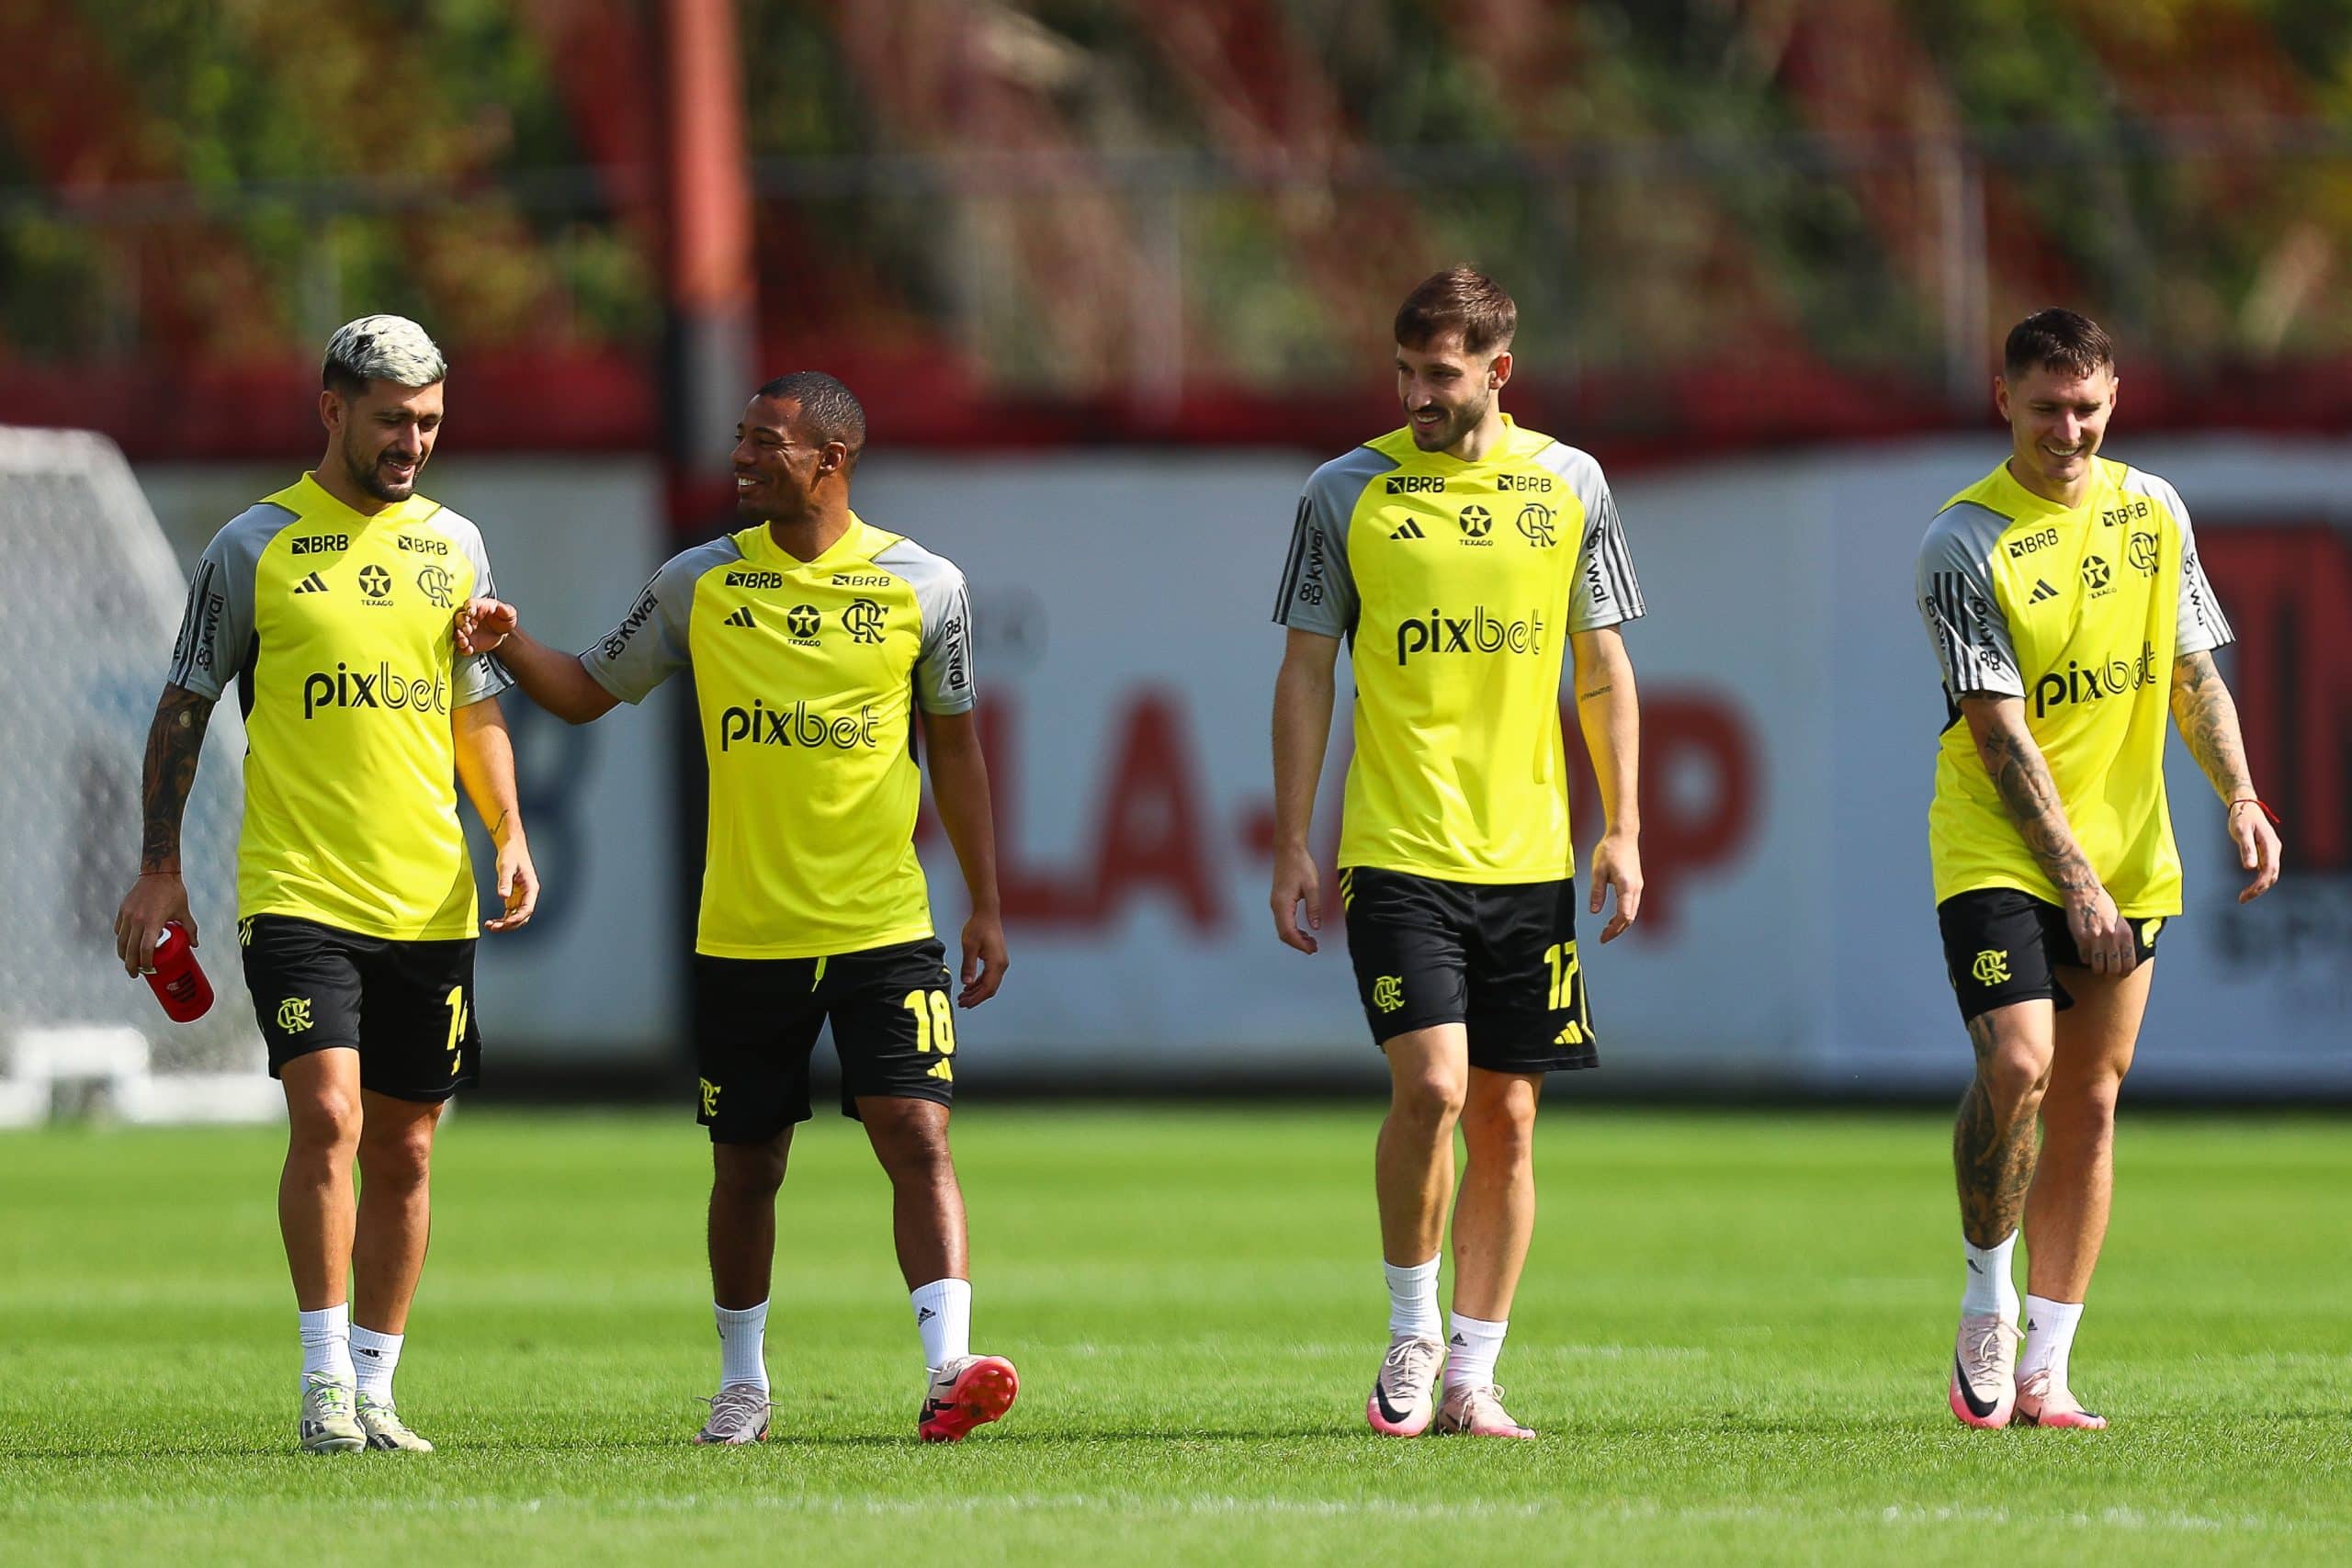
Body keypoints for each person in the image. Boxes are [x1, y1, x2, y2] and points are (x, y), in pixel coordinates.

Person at [455, 371, 1014, 1445]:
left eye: (765, 443)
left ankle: (950, 1369)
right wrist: (505, 640)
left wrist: (984, 902)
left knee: (917, 1134)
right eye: (740, 439)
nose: (741, 459)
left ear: (830, 462)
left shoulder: (926, 586)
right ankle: (743, 1382)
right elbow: (581, 691)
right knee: (747, 1162)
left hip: (883, 926)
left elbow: (955, 746)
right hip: (745, 933)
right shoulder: (697, 583)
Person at [112, 315, 538, 1455]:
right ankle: (320, 1385)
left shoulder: (457, 543)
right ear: (332, 410)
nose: (413, 442)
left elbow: (474, 705)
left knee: (407, 1145)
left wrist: (506, 827)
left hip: (430, 897)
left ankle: (377, 1385)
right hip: (297, 889)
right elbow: (185, 705)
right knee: (331, 1114)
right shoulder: (251, 546)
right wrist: (160, 868)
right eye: (394, 419)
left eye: (432, 422)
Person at [1269, 267, 1646, 1439]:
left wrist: (1623, 826)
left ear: (1498, 372)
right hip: (1395, 850)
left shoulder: (1570, 483)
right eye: (1404, 372)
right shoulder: (1348, 492)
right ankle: (1410, 1330)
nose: (1417, 394)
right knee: (1431, 1087)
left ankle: (1474, 1375)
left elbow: (1600, 669)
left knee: (1510, 1118)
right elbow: (1304, 671)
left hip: (1527, 859)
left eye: (1440, 374)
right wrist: (1293, 838)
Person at [1917, 308, 2282, 1430]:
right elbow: (1995, 731)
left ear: (2112, 398)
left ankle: (2047, 1366)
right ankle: (1987, 1295)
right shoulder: (1963, 540)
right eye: (2043, 409)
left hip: (2131, 851)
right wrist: (2072, 878)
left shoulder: (2153, 510)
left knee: (2090, 1097)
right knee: (2020, 1063)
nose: (2065, 430)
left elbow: (2192, 673)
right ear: (2003, 401)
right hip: (1997, 845)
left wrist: (2240, 794)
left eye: (2084, 407)